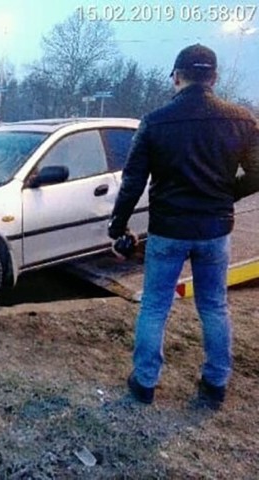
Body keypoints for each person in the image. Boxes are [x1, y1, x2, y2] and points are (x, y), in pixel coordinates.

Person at [108, 44, 259, 408]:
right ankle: (215, 383)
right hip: (214, 231)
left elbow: (132, 181)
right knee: (214, 306)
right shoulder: (241, 119)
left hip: (168, 230)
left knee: (155, 306)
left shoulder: (155, 121)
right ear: (215, 78)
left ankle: (144, 383)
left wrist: (118, 228)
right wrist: (226, 196)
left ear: (177, 77)